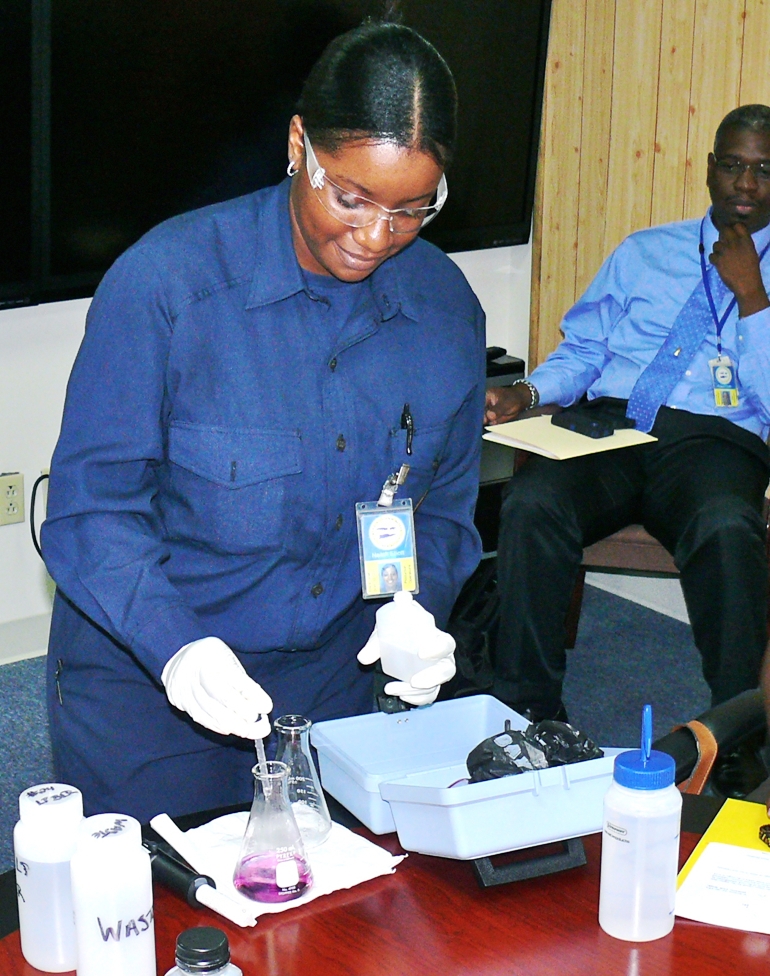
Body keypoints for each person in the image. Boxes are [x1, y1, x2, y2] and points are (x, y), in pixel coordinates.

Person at [42, 20, 486, 822]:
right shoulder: (167, 289)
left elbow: (440, 508)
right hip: (158, 679)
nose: (376, 236)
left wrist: (415, 604)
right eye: (349, 196)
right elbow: (92, 511)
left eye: (413, 209)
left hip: (333, 681)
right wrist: (177, 649)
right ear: (298, 146)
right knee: (169, 927)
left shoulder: (444, 312)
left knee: (340, 925)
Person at [485, 104, 770, 723]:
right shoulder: (644, 252)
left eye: (763, 170)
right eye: (732, 167)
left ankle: (738, 727)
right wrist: (528, 394)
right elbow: (585, 349)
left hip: (713, 443)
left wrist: (753, 297)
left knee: (726, 527)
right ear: (709, 171)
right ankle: (528, 715)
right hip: (610, 426)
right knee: (533, 503)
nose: (745, 185)